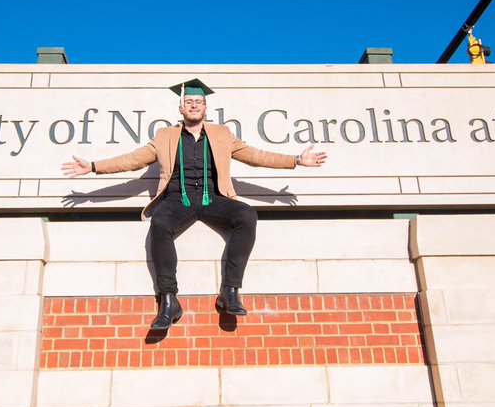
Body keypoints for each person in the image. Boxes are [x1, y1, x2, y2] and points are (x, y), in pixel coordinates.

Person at [61, 79, 327, 330]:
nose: (193, 105)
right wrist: (94, 167)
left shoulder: (222, 134)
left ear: (205, 107)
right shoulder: (165, 136)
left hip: (214, 198)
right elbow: (133, 159)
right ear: (180, 107)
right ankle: (168, 300)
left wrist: (296, 160)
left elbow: (255, 155)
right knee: (160, 222)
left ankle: (230, 291)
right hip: (178, 200)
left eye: (198, 102)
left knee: (246, 214)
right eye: (188, 101)